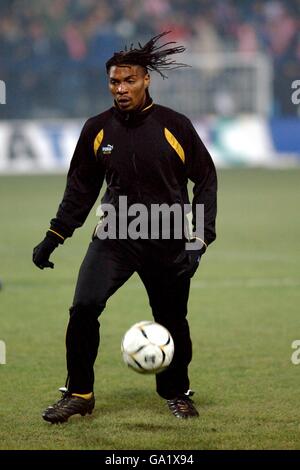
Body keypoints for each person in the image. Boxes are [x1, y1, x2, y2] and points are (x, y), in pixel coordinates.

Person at [33, 32, 217, 423]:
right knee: (83, 307)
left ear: (146, 79)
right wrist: (55, 235)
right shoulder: (97, 129)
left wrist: (199, 239)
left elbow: (205, 181)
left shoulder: (175, 126)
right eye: (115, 82)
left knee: (172, 319)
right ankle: (79, 393)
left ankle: (176, 392)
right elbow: (80, 188)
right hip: (114, 235)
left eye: (129, 80)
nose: (121, 89)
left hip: (167, 238)